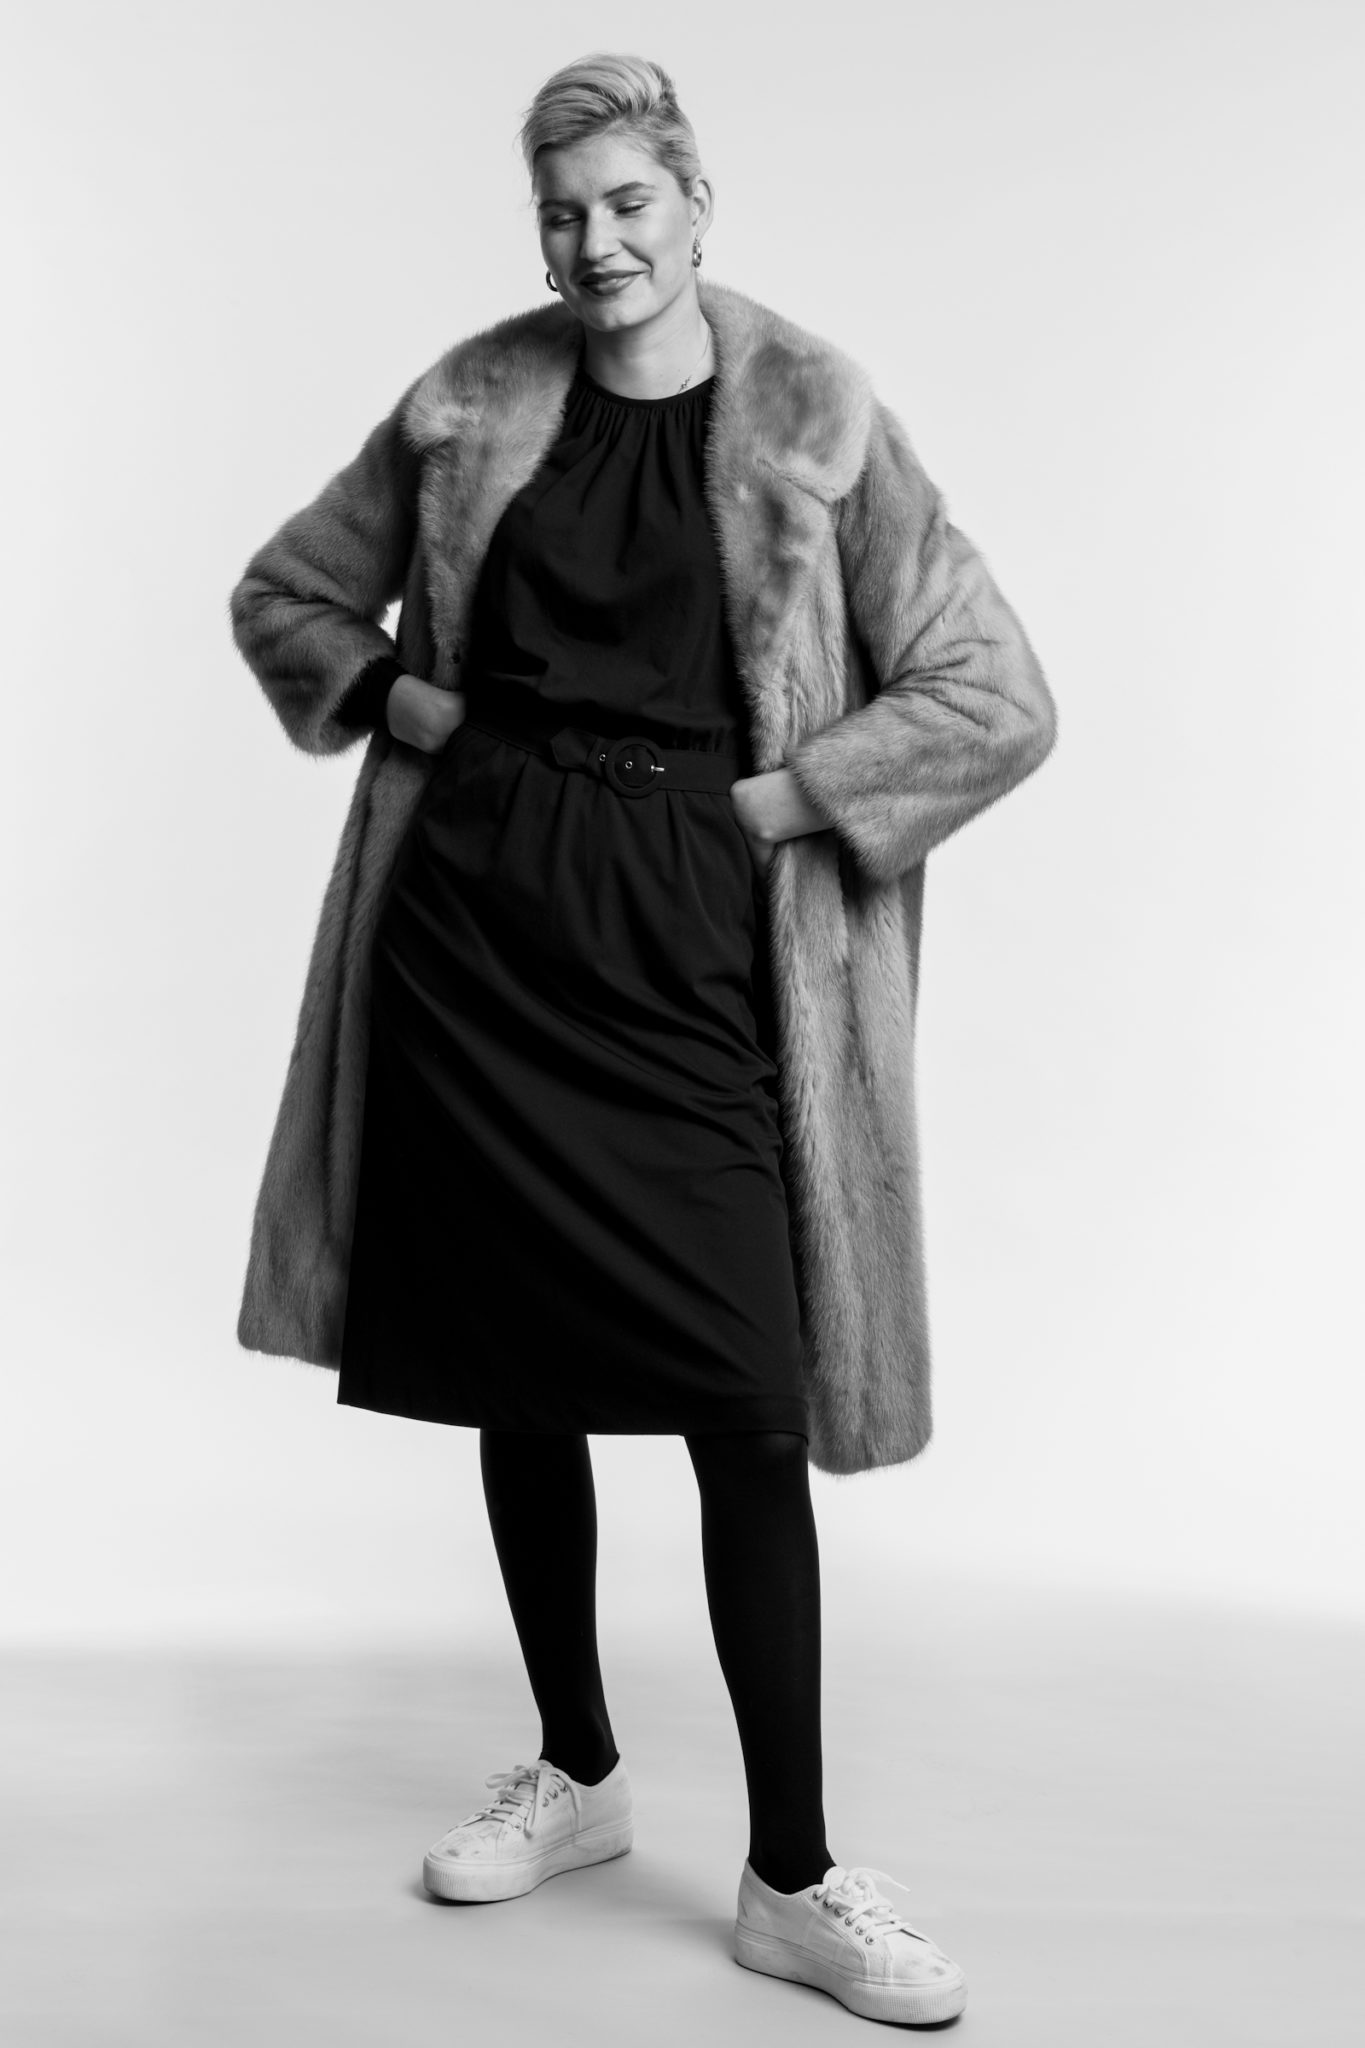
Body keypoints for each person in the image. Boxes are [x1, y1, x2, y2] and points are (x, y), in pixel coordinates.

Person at [229, 51, 1056, 2028]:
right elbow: (288, 595)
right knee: (517, 1375)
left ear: (693, 202)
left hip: (698, 945)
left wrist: (789, 798)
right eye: (562, 212)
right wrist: (401, 701)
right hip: (478, 938)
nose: (596, 243)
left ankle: (792, 1874)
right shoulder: (471, 402)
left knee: (742, 1406)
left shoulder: (816, 415)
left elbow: (990, 690)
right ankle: (577, 1768)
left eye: (626, 202)